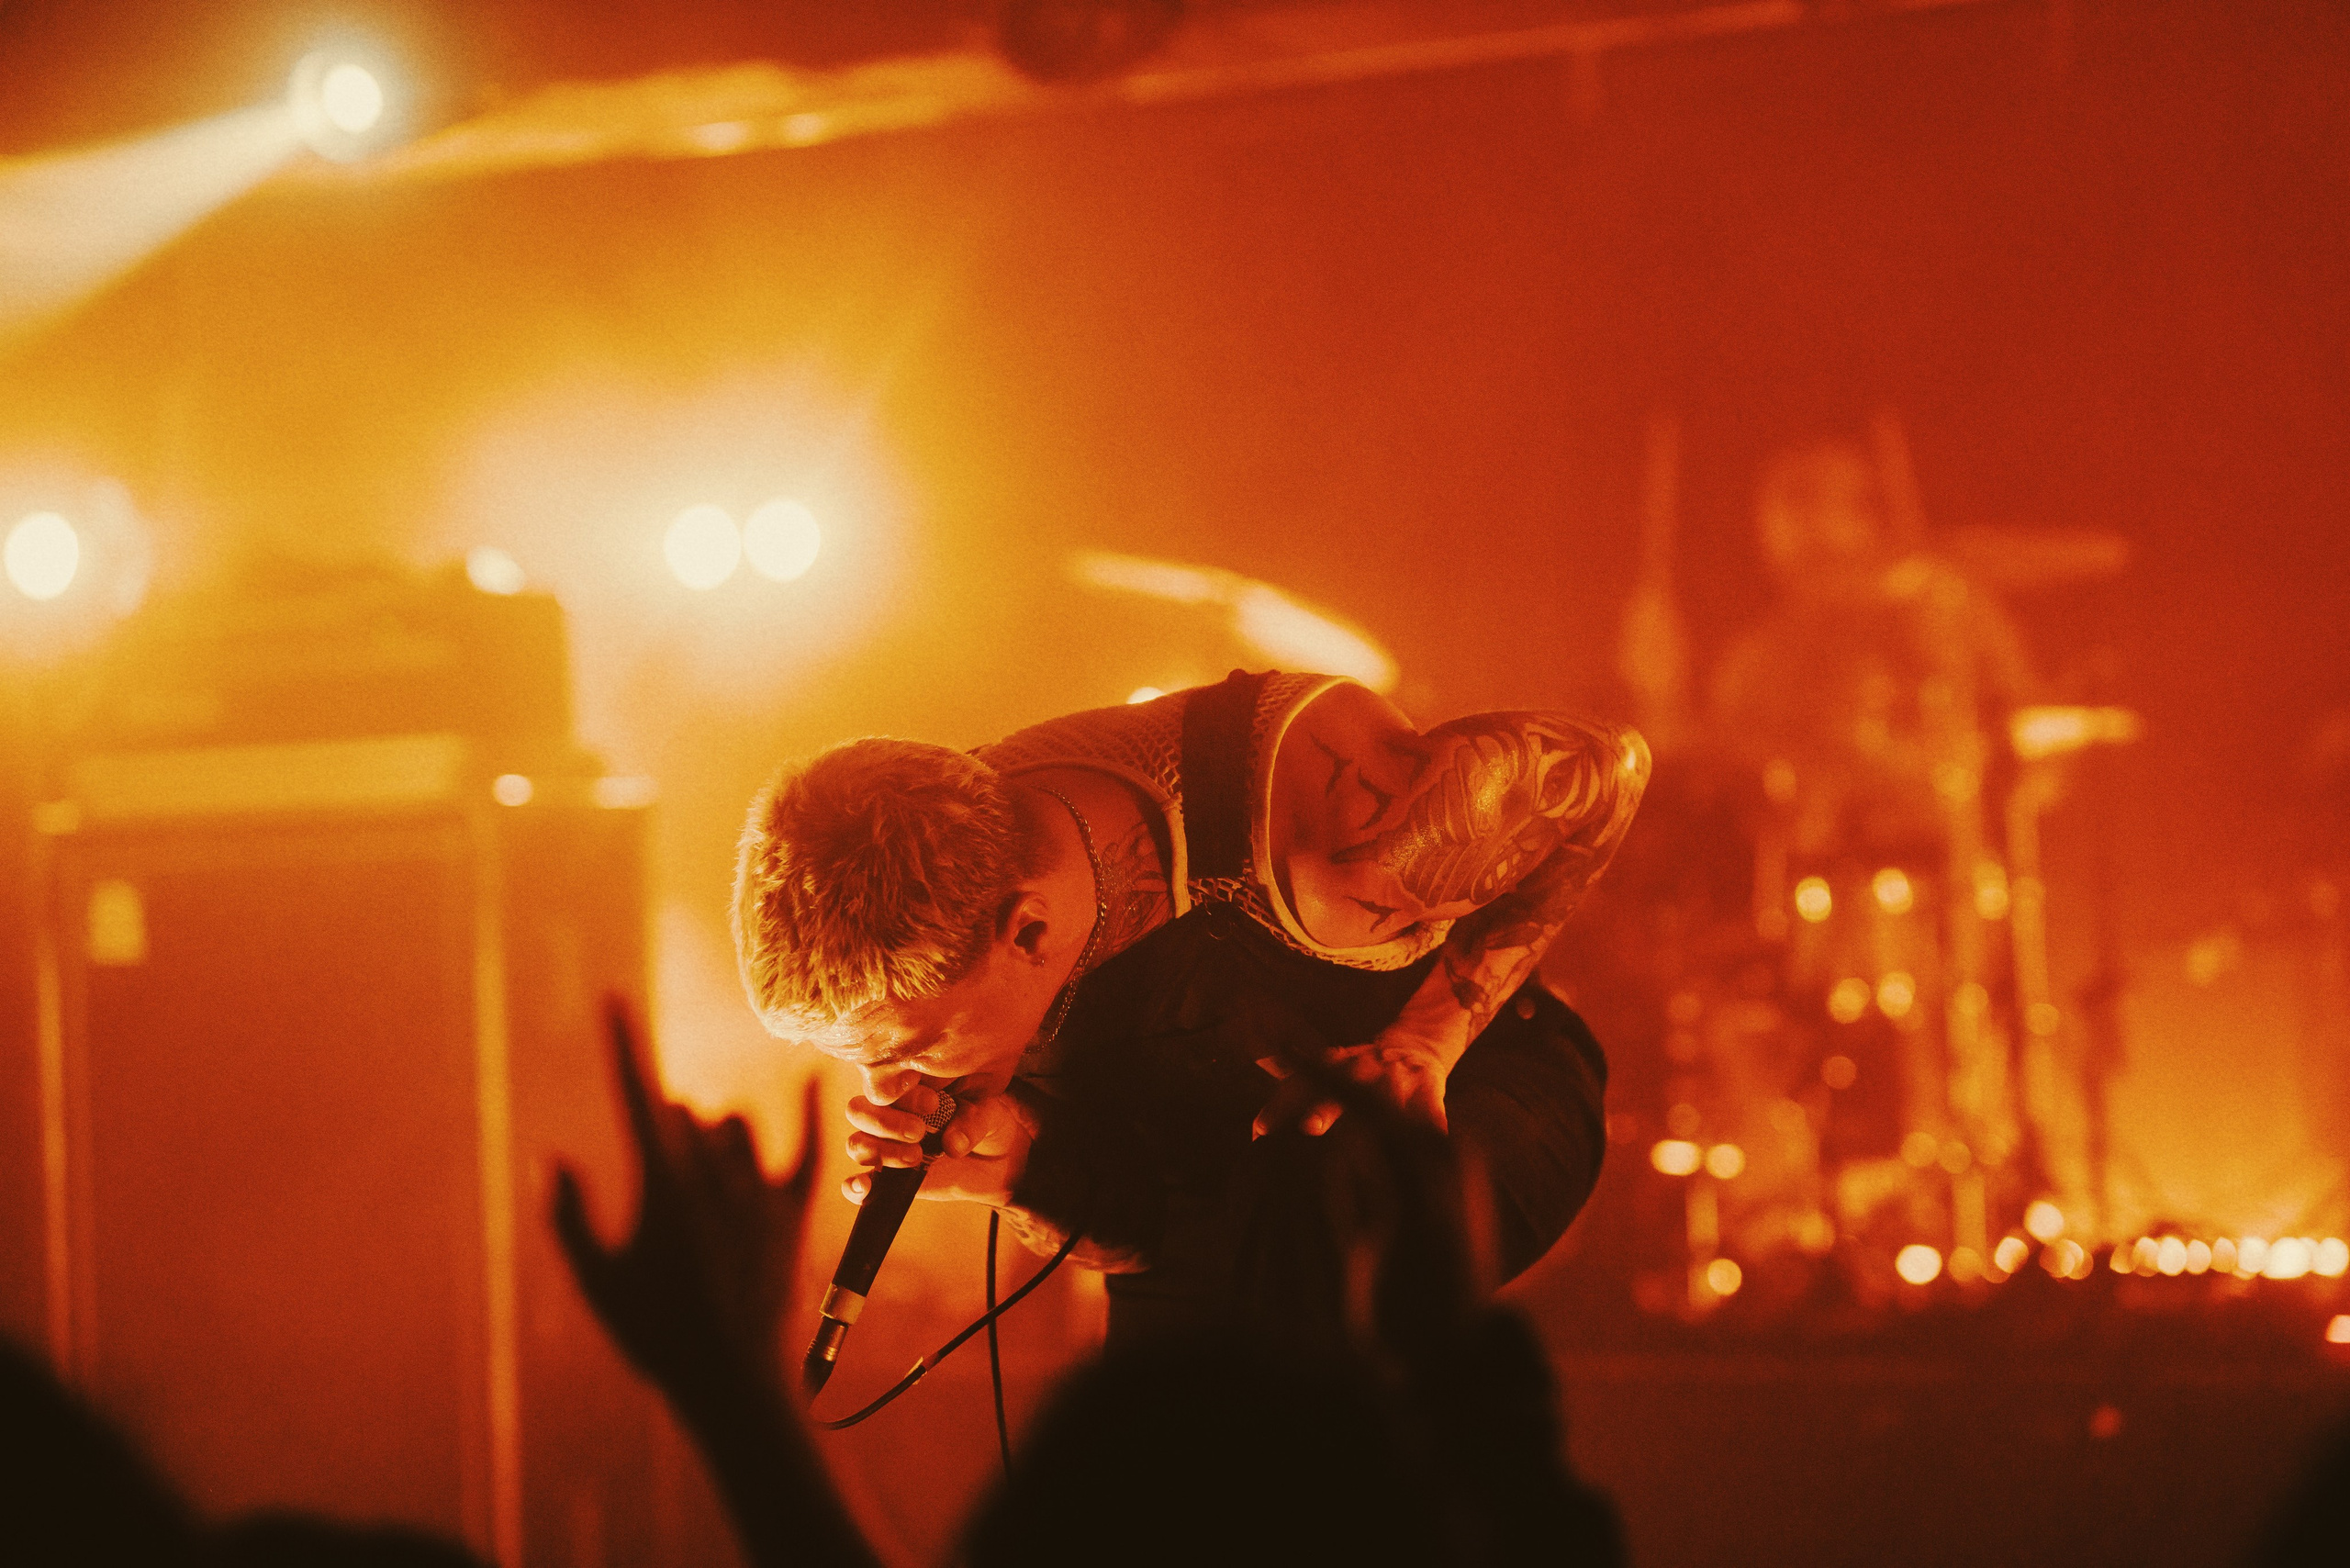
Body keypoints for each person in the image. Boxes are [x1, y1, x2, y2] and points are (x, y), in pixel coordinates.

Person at [732, 669, 1649, 1338]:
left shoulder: (1346, 835)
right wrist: (1017, 1161)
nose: (888, 1083)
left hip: (1487, 1096)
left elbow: (1611, 767)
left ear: (1026, 932)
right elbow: (1152, 1236)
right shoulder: (956, 843)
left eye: (909, 1046)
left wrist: (1427, 1041)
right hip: (1236, 1136)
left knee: (1311, 1270)